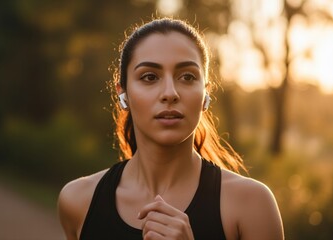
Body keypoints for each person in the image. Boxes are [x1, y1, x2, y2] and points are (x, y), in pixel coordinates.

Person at [58, 17, 284, 240]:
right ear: (122, 93)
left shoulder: (252, 205)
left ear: (205, 93)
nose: (170, 93)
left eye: (187, 77)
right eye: (149, 77)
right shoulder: (78, 201)